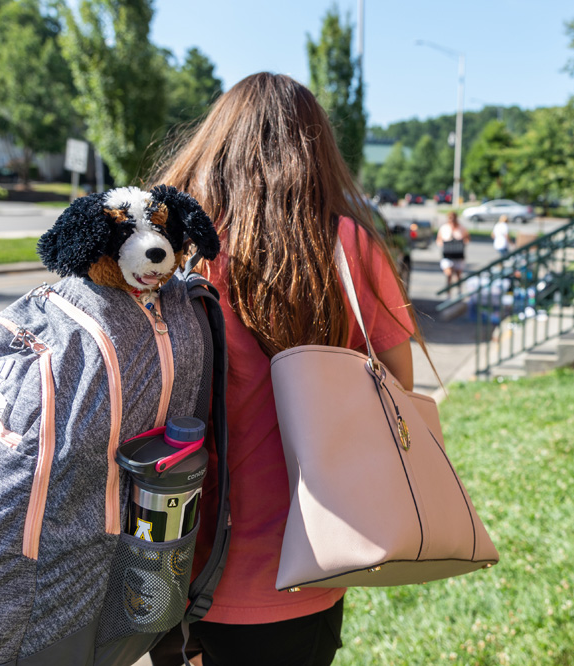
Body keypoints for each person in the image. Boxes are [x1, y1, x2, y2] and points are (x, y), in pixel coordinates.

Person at [148, 72, 421, 666]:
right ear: (316, 149)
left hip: (163, 560)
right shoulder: (346, 246)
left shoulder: (168, 250)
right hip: (305, 567)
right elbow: (401, 388)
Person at [436, 211, 470, 291]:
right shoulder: (444, 228)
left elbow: (467, 238)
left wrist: (461, 242)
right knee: (449, 274)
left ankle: (459, 292)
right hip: (448, 254)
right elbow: (439, 239)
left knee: (458, 275)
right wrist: (445, 243)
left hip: (458, 254)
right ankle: (449, 294)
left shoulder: (461, 228)